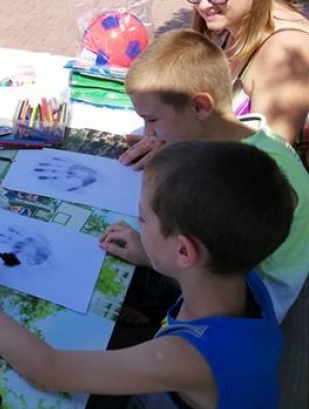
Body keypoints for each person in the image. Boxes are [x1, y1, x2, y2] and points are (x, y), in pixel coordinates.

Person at [0, 141, 294, 409]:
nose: (138, 223)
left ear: (184, 252)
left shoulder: (189, 357)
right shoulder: (242, 276)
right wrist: (151, 255)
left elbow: (49, 371)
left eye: (143, 218)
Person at [113, 29, 309, 322]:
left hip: (250, 303)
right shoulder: (240, 137)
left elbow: (215, 270)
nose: (148, 133)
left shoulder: (245, 176)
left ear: (199, 106)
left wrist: (148, 255)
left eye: (152, 120)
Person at [184, 0, 309, 148]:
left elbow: (267, 157)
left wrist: (177, 151)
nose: (203, 5)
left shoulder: (287, 51)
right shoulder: (232, 23)